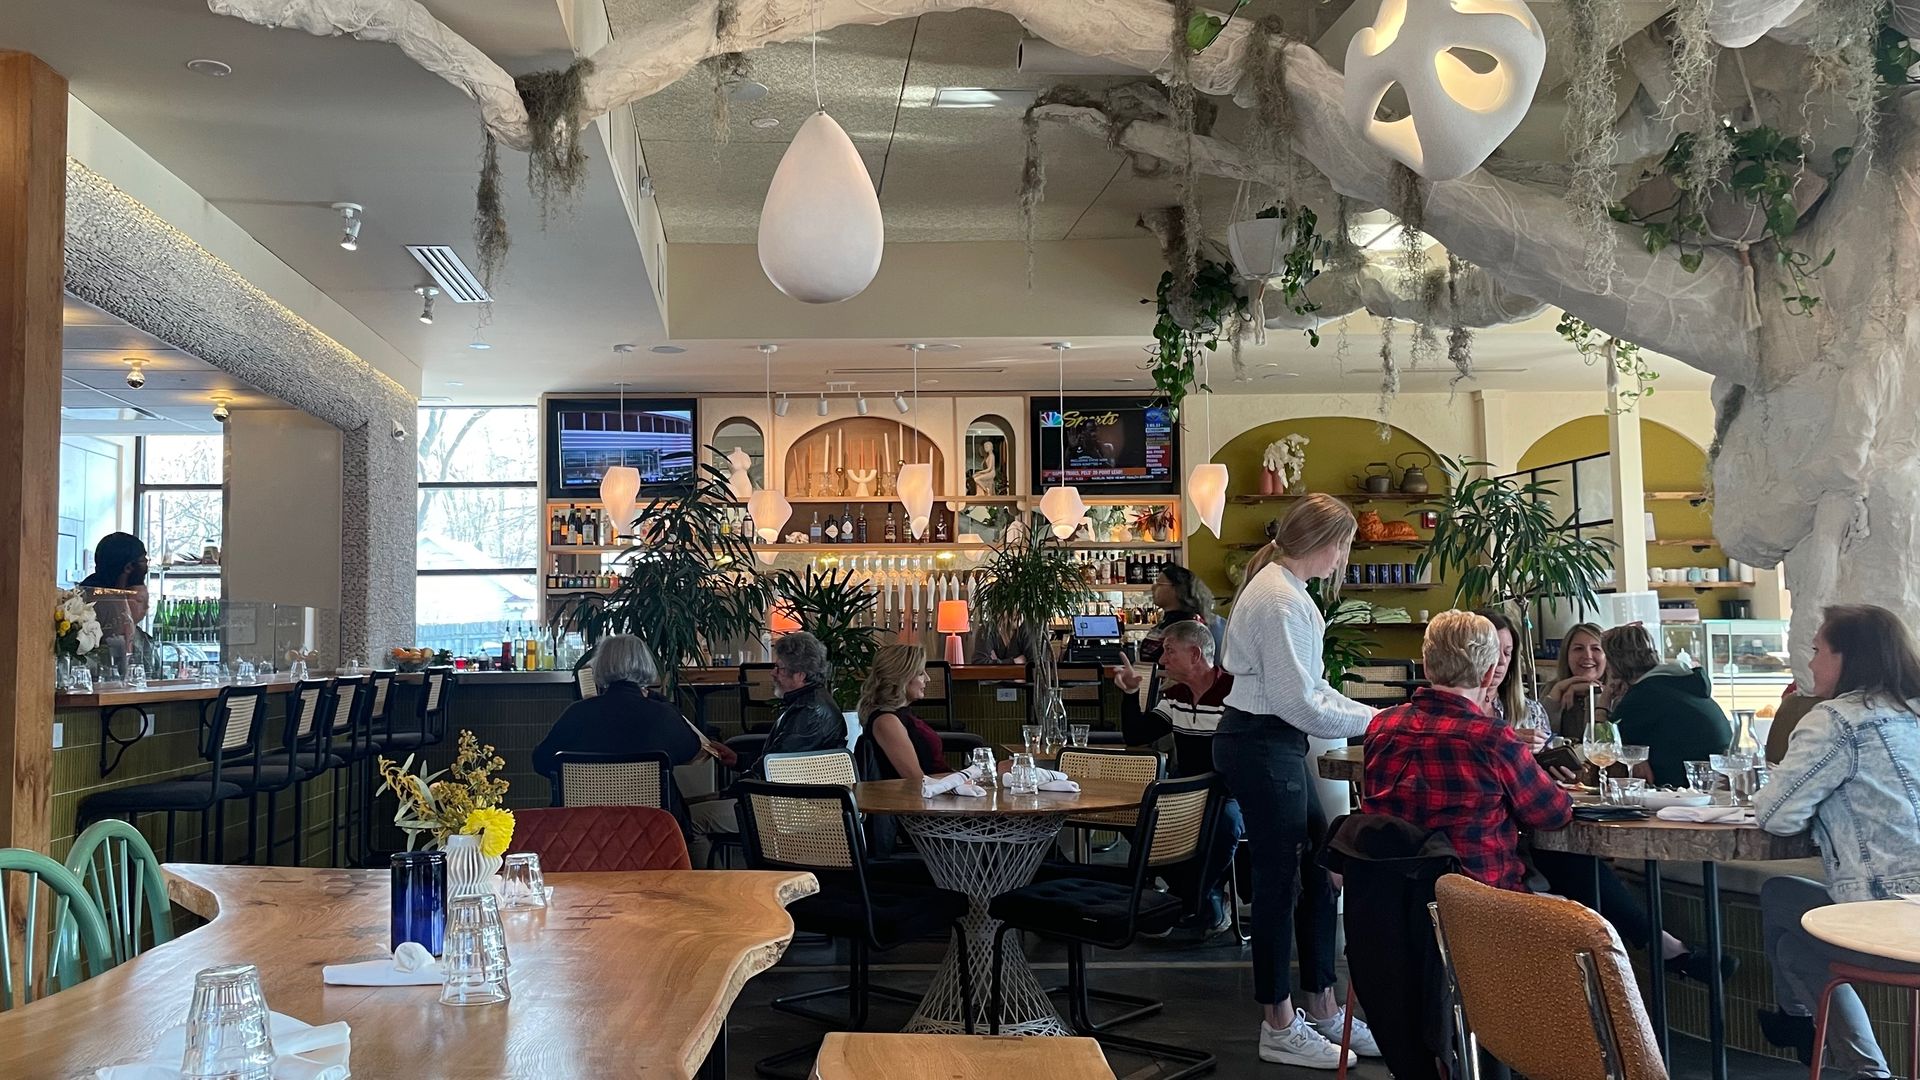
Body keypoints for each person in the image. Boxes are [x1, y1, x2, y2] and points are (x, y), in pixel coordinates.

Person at [1213, 493, 1379, 1069]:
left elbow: (1311, 692)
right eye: (1345, 546)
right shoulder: (1281, 598)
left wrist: (1376, 717)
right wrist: (1380, 722)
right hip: (1261, 743)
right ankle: (1279, 1024)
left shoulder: (1286, 590)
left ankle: (1325, 1010)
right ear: (1327, 542)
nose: (1343, 559)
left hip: (1267, 741)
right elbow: (1298, 704)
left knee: (1315, 867)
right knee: (1281, 880)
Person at [1755, 604, 1920, 1079]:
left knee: (1781, 898)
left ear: (1849, 657)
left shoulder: (1838, 719)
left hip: (1888, 914)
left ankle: (1856, 1064)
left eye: (1817, 650)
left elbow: (1776, 815)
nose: (1810, 663)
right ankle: (1802, 1025)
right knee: (1793, 940)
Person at [1363, 611, 1573, 890]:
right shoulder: (1492, 738)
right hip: (1479, 908)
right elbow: (1553, 814)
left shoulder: (1382, 725)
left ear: (1427, 667)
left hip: (1392, 901)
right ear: (1488, 674)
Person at [1117, 618, 1240, 932]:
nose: (1161, 660)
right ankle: (1199, 897)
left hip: (1229, 791)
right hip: (1184, 790)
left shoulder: (1235, 693)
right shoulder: (1176, 696)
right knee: (1133, 814)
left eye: (1170, 651)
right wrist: (1131, 693)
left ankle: (1192, 899)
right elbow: (1136, 735)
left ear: (1196, 655)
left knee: (1224, 821)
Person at [687, 632, 845, 865]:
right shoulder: (810, 703)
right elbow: (779, 759)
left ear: (800, 675)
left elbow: (775, 770)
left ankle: (710, 892)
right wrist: (738, 760)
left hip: (785, 810)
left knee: (689, 819)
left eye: (779, 668)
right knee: (691, 806)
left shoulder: (808, 713)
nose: (773, 673)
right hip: (787, 801)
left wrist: (728, 791)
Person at [531, 635, 708, 820]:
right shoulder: (663, 714)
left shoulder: (577, 713)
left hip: (584, 830)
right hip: (654, 830)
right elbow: (692, 751)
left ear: (600, 665)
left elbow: (541, 761)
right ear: (646, 663)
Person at [1602, 623, 1732, 787]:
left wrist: (1604, 701)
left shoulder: (1643, 695)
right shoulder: (1679, 683)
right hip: (1718, 785)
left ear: (1614, 663)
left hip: (1681, 792)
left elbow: (1603, 747)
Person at [854, 644, 952, 782]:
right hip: (922, 798)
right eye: (920, 673)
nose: (927, 679)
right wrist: (964, 778)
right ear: (902, 677)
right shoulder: (886, 721)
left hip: (942, 788)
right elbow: (916, 780)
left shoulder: (902, 713)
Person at [1138, 563, 1223, 665]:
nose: (1153, 587)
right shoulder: (1166, 620)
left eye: (1159, 584)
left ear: (1177, 589)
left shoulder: (1190, 625)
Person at [1544, 622, 1609, 740]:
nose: (1588, 655)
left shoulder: (1618, 693)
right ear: (1566, 655)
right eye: (1578, 649)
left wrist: (1595, 693)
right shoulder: (1551, 689)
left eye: (1596, 648)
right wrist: (1554, 698)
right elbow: (1541, 739)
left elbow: (1599, 744)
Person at [78, 532, 148, 589]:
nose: (147, 563)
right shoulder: (107, 602)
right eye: (143, 560)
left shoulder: (83, 596)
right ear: (128, 567)